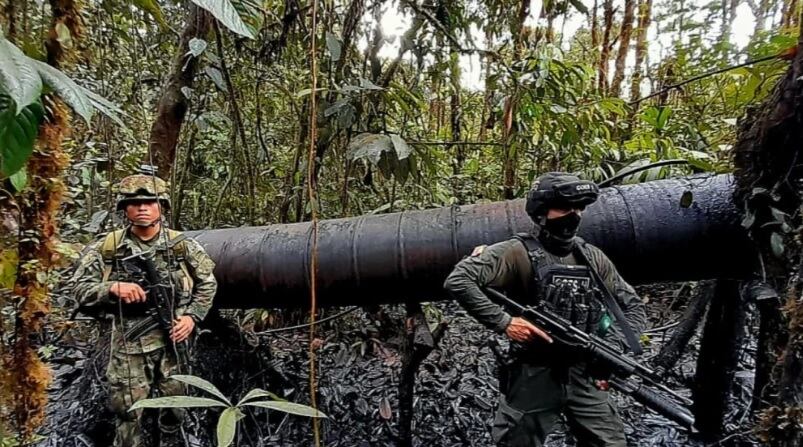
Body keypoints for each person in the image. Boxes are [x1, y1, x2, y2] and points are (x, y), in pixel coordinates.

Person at [444, 172, 647, 447]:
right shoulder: (516, 252)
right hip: (533, 373)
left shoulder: (591, 256)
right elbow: (459, 280)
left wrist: (611, 348)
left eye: (579, 208)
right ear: (541, 213)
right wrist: (504, 322)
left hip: (583, 372)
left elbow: (632, 307)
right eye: (564, 208)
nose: (573, 216)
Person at [72, 171, 217, 447]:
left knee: (176, 408)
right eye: (134, 203)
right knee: (127, 413)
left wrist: (191, 317)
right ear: (124, 208)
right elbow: (78, 289)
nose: (142, 208)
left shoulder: (181, 246)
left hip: (174, 343)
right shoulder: (108, 248)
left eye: (150, 202)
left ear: (162, 207)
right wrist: (112, 288)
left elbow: (207, 284)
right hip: (129, 347)